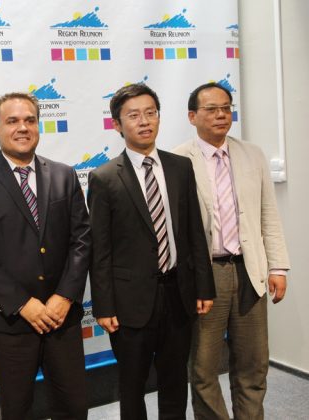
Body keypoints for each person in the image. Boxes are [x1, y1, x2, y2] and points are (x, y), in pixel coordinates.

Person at [0, 92, 91, 420]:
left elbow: (82, 240)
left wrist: (64, 296)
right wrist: (22, 303)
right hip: (11, 321)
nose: (22, 127)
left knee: (74, 407)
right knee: (16, 410)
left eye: (30, 120)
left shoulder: (64, 175)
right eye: (12, 121)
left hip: (61, 317)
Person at [88, 83, 215, 419]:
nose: (144, 121)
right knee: (132, 386)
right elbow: (100, 250)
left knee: (175, 381)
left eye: (150, 113)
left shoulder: (180, 167)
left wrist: (204, 286)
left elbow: (194, 232)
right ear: (117, 124)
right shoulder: (104, 178)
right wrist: (104, 305)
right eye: (133, 116)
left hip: (178, 293)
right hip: (130, 303)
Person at [173, 82, 290, 420]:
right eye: (211, 109)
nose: (221, 115)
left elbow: (268, 213)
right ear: (192, 116)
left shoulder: (252, 154)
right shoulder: (178, 160)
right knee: (204, 368)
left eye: (226, 108)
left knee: (254, 363)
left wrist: (277, 267)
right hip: (206, 276)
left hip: (249, 270)